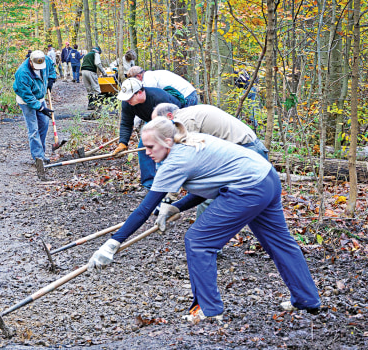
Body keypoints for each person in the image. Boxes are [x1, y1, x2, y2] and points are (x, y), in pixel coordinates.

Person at [88, 116, 321, 323]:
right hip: (265, 176)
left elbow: (144, 210)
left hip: (248, 188)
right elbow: (209, 183)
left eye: (150, 147)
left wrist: (112, 244)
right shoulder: (189, 139)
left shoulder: (176, 161)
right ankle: (307, 298)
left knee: (199, 241)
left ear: (167, 142)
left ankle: (209, 310)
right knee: (279, 242)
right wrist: (176, 207)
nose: (146, 152)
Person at [152, 102, 269, 218]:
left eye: (159, 124)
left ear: (169, 116)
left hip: (248, 154)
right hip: (247, 151)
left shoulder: (185, 123)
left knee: (209, 202)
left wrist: (167, 201)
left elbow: (182, 166)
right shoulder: (189, 113)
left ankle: (201, 234)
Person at [112, 78, 181, 189]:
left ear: (139, 92)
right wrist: (123, 143)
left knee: (164, 148)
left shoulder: (158, 97)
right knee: (144, 147)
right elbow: (126, 123)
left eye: (129, 97)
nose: (127, 100)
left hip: (173, 120)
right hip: (154, 120)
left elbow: (167, 124)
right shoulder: (127, 103)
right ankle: (149, 184)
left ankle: (169, 183)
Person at [13, 50, 56, 168]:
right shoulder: (22, 73)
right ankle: (38, 157)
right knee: (33, 129)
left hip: (40, 97)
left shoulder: (45, 60)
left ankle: (41, 152)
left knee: (44, 124)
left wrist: (51, 79)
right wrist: (41, 108)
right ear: (30, 62)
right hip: (26, 101)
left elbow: (51, 68)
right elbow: (28, 97)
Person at [127, 66, 198, 107]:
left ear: (139, 76)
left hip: (187, 96)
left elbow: (150, 98)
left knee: (185, 124)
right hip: (187, 94)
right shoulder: (153, 75)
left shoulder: (149, 78)